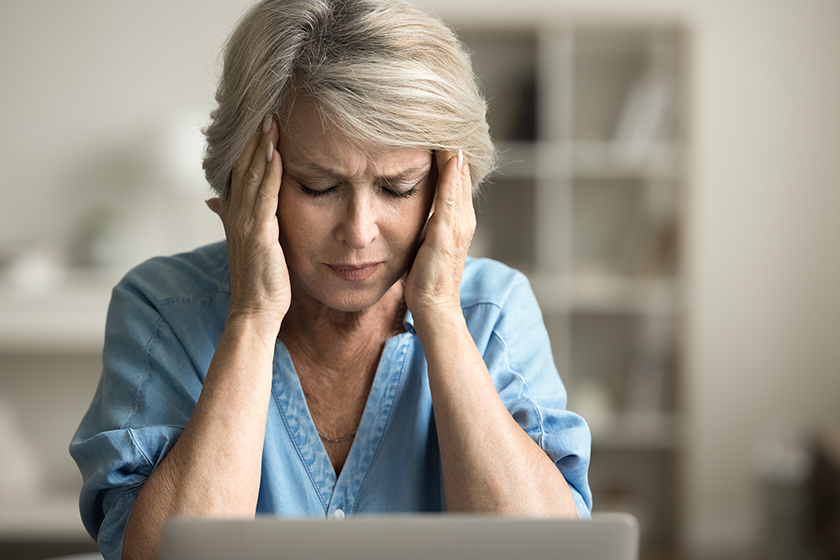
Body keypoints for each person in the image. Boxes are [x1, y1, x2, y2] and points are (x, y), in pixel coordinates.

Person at [70, 0, 592, 559]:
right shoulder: (162, 308)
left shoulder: (495, 309)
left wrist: (439, 309)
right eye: (319, 187)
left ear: (447, 187)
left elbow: (550, 553)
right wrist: (252, 315)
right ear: (244, 178)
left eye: (398, 188)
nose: (360, 231)